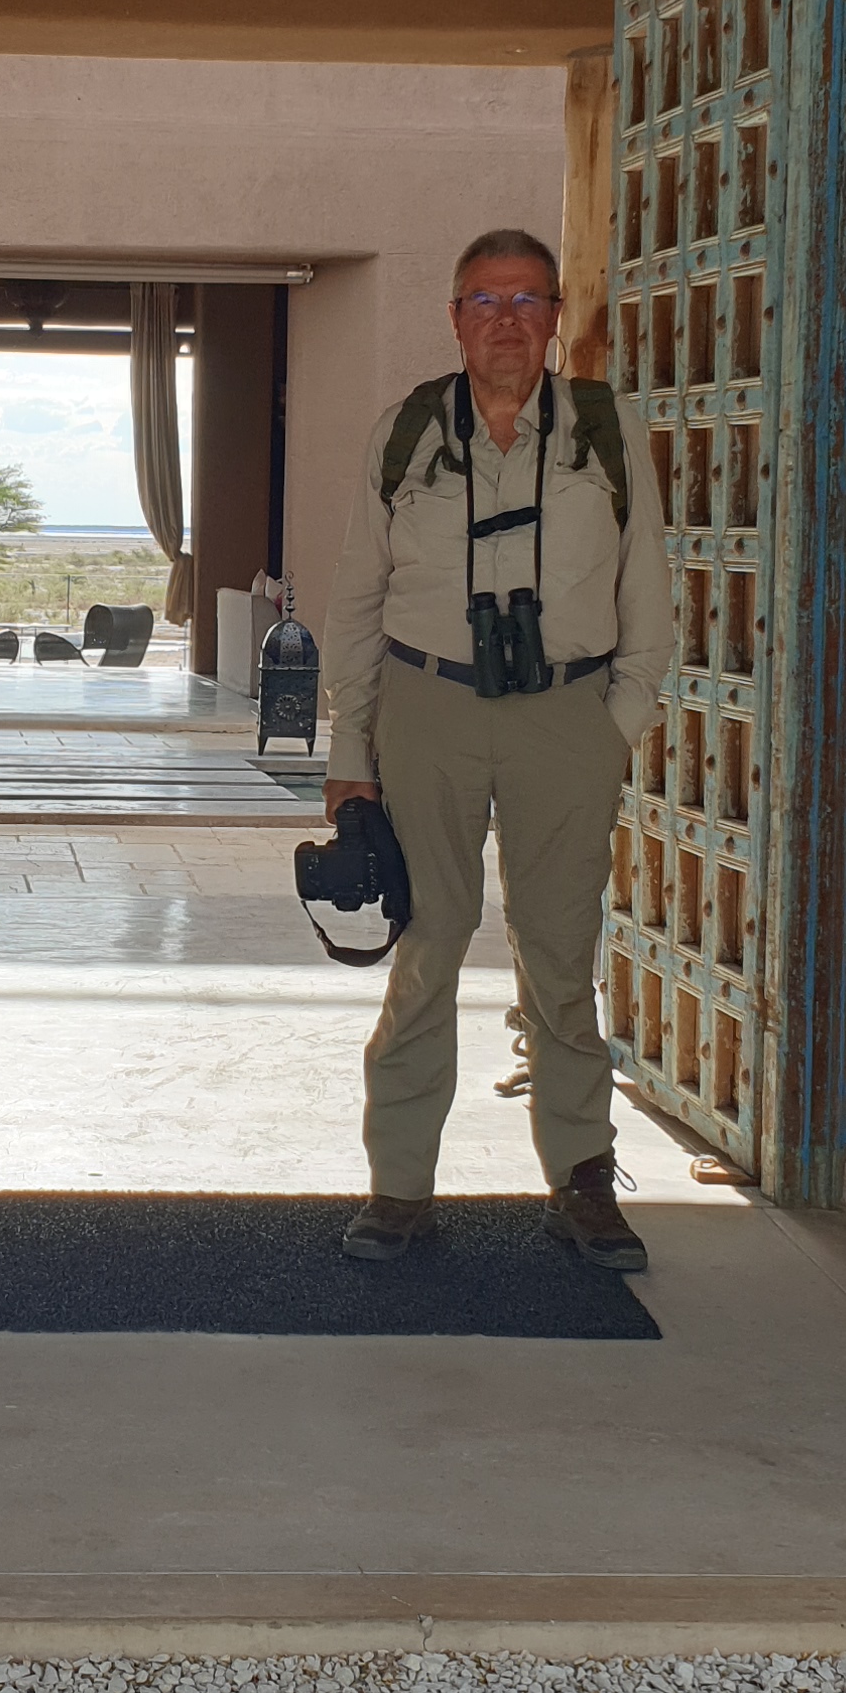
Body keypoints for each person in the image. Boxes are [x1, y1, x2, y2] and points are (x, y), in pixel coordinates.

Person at [319, 228, 675, 1269]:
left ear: (558, 315)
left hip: (566, 716)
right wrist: (351, 747)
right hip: (428, 711)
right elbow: (356, 599)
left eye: (528, 300)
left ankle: (581, 1180)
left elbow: (646, 587)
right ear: (455, 318)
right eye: (486, 300)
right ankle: (400, 1189)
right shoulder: (408, 434)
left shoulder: (606, 431)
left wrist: (619, 725)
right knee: (426, 950)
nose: (508, 321)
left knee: (561, 958)